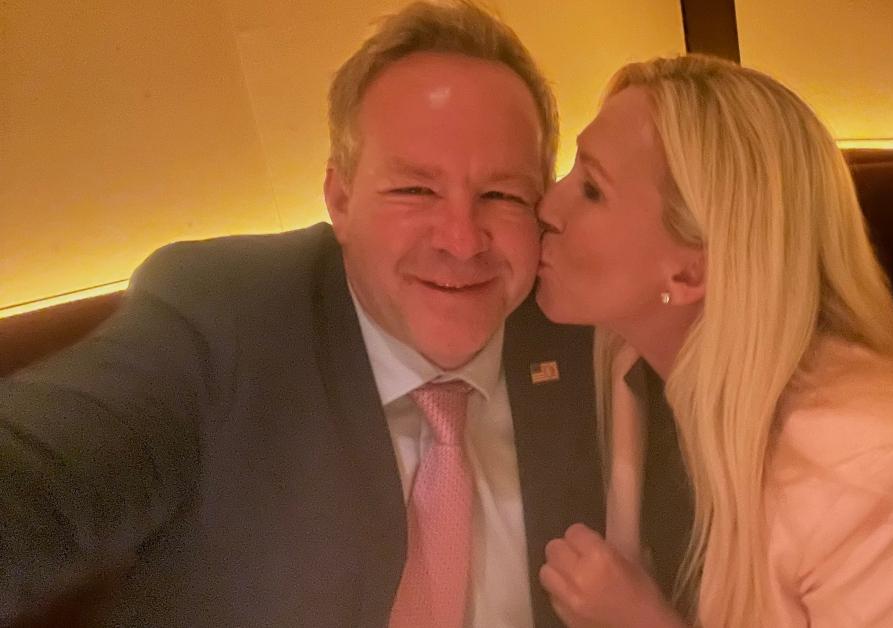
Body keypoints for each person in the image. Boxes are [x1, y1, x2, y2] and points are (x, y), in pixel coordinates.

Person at [0, 3, 694, 627]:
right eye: (415, 188)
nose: (461, 240)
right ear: (339, 198)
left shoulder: (583, 327)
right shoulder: (225, 317)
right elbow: (36, 478)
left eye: (503, 196)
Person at [534, 55, 893, 627]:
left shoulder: (876, 467)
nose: (548, 206)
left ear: (689, 275)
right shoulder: (626, 355)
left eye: (592, 189)